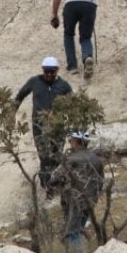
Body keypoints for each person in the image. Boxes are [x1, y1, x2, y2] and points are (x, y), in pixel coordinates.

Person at [14, 56, 74, 193]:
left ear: (57, 70)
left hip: (58, 127)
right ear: (43, 70)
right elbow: (20, 95)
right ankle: (47, 186)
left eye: (52, 71)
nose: (49, 74)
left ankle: (58, 184)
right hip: (39, 127)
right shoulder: (34, 81)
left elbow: (74, 103)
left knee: (57, 155)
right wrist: (12, 111)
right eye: (46, 71)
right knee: (44, 157)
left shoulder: (64, 85)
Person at [49, 130, 105, 253]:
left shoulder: (71, 159)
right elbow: (101, 180)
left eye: (71, 141)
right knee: (79, 226)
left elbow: (55, 177)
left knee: (72, 230)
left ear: (76, 142)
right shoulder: (96, 158)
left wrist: (51, 185)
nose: (69, 143)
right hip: (91, 199)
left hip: (74, 200)